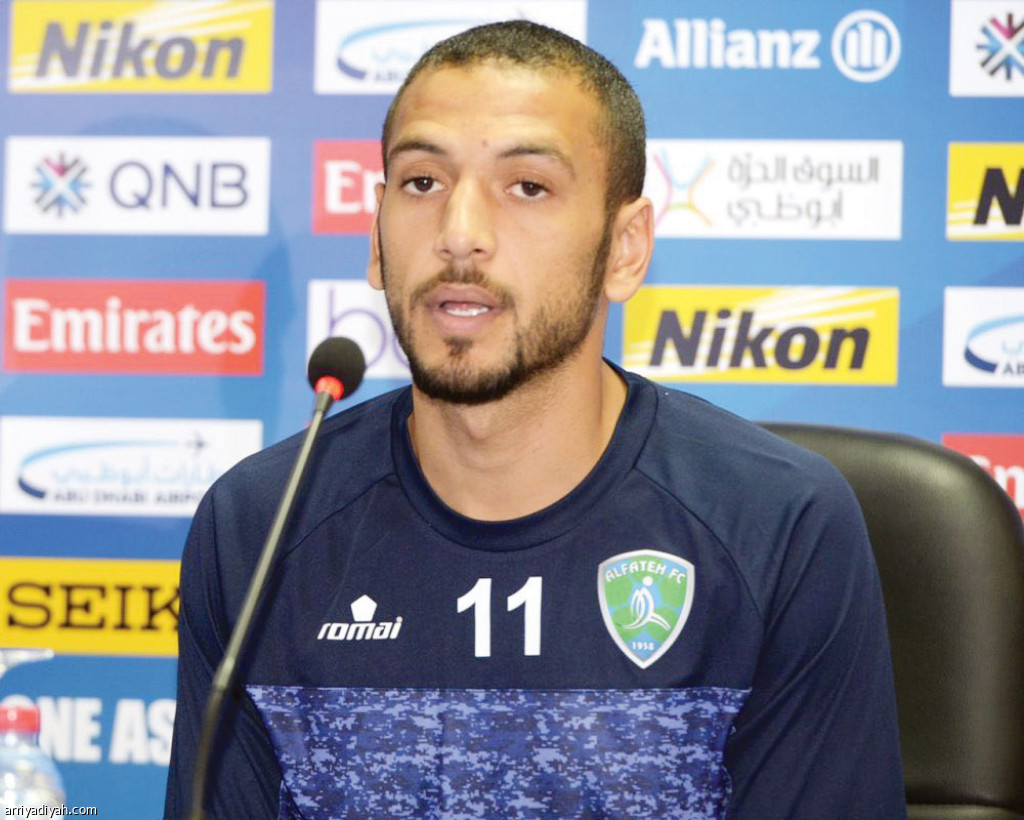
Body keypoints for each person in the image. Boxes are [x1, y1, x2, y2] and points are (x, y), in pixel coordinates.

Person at [165, 20, 905, 819]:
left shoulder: (779, 526)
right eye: (422, 182)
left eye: (527, 187)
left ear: (624, 248)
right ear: (376, 238)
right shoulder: (261, 525)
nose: (459, 234)